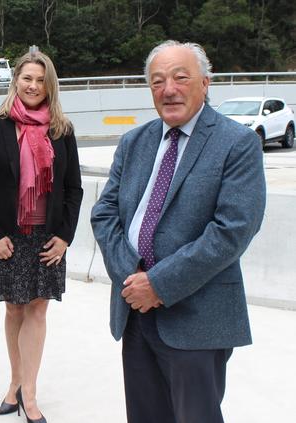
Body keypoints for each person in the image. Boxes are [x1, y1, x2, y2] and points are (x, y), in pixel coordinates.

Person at [91, 40, 266, 423]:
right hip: (135, 309)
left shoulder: (237, 143)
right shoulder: (134, 142)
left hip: (197, 317)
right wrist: (133, 277)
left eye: (180, 78)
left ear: (205, 82)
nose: (168, 89)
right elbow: (104, 214)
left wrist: (158, 283)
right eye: (157, 81)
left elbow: (232, 230)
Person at [0, 51, 83, 423]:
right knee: (14, 307)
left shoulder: (62, 130)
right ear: (15, 80)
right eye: (27, 78)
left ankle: (29, 395)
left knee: (37, 308)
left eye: (40, 80)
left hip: (47, 237)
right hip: (8, 236)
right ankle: (14, 384)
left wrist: (65, 237)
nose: (33, 86)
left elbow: (73, 190)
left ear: (49, 85)